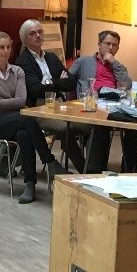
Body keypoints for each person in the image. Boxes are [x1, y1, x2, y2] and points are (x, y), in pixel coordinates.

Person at [0, 32, 65, 204]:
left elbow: (21, 100)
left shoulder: (17, 71)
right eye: (1, 47)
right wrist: (2, 103)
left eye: (8, 47)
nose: (6, 51)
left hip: (18, 120)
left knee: (24, 133)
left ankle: (30, 185)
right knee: (27, 119)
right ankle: (50, 162)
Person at [14, 18, 84, 171]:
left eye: (40, 32)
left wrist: (50, 83)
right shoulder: (23, 61)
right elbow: (36, 89)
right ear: (24, 39)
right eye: (33, 33)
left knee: (89, 125)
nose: (38, 35)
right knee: (66, 128)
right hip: (39, 109)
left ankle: (94, 166)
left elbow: (71, 82)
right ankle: (85, 170)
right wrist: (58, 82)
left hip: (60, 105)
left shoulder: (51, 57)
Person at [66, 30, 137, 172]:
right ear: (99, 44)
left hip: (113, 107)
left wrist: (114, 63)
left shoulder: (118, 66)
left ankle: (127, 171)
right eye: (107, 43)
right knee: (100, 126)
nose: (110, 48)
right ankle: (95, 170)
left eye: (114, 45)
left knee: (135, 126)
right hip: (91, 106)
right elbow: (67, 81)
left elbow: (127, 85)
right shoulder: (84, 61)